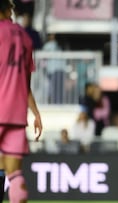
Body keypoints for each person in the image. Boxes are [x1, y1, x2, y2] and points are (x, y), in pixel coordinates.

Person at [0, 0, 43, 202]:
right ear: (8, 10)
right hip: (17, 114)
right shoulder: (25, 38)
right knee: (14, 173)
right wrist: (35, 113)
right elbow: (25, 82)